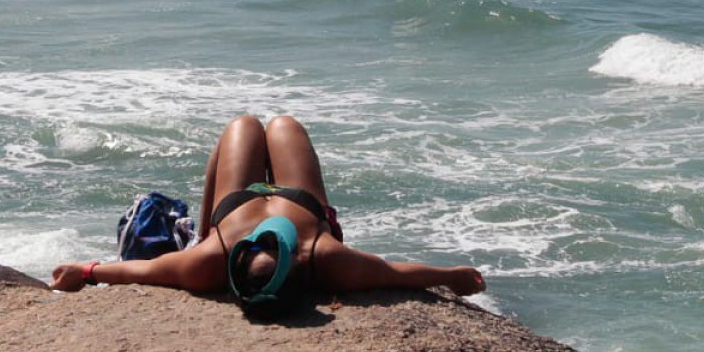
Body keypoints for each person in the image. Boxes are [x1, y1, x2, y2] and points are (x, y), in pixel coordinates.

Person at [49, 115, 485, 310]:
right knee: (283, 125)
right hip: (302, 204)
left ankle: (206, 228)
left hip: (230, 210)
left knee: (242, 126)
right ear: (296, 259)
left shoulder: (209, 263)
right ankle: (311, 217)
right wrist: (451, 275)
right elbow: (396, 272)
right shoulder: (326, 259)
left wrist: (85, 271)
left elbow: (140, 271)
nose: (265, 236)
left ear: (237, 264)